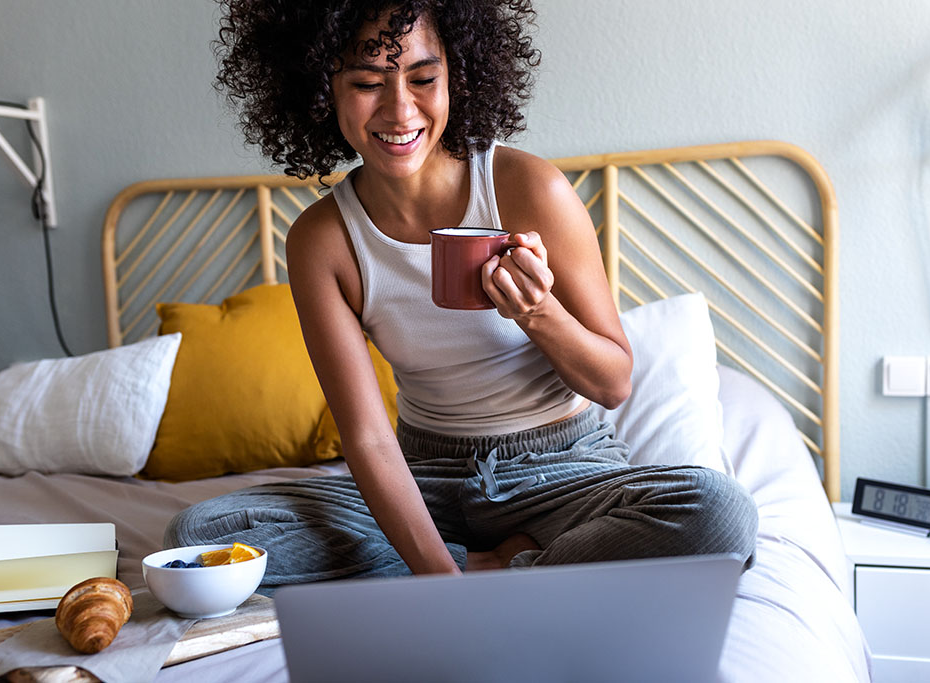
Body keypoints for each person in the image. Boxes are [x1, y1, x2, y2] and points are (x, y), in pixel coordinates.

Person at [165, 0, 757, 585]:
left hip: (562, 472)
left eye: (423, 78)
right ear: (324, 90)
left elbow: (613, 382)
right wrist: (442, 575)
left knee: (720, 511)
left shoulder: (529, 189)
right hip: (421, 479)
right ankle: (500, 566)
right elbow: (369, 437)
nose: (400, 110)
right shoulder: (322, 241)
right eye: (367, 82)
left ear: (458, 76)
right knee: (201, 535)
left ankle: (521, 566)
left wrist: (538, 311)